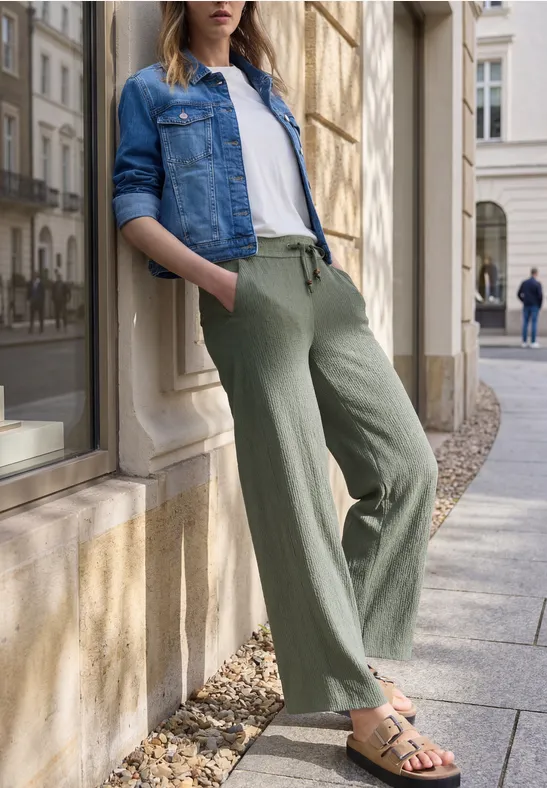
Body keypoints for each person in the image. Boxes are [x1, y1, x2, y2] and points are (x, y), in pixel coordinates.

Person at [113, 3, 459, 786]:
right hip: (246, 285)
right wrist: (221, 285)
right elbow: (132, 204)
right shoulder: (153, 90)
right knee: (296, 490)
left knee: (406, 469)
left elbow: (284, 195)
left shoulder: (268, 88)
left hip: (319, 282)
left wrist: (334, 278)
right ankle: (361, 709)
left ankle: (354, 666)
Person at [518, 268, 543, 348]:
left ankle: (524, 342)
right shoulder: (537, 284)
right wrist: (539, 305)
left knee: (525, 323)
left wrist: (523, 300)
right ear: (536, 274)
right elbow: (540, 296)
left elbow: (518, 293)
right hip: (534, 305)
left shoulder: (525, 283)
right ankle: (533, 342)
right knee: (534, 323)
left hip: (526, 305)